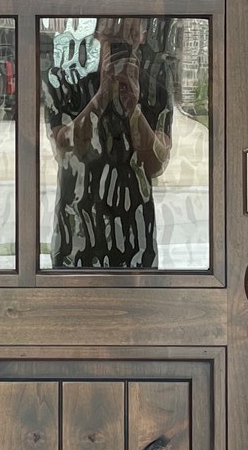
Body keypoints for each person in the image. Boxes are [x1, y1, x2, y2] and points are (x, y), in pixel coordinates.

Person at [42, 16, 174, 268]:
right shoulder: (68, 81)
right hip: (78, 221)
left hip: (134, 227)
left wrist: (133, 109)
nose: (122, 37)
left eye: (130, 34)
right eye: (114, 37)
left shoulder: (154, 89)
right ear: (97, 34)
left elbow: (157, 164)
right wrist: (101, 97)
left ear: (142, 37)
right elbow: (64, 151)